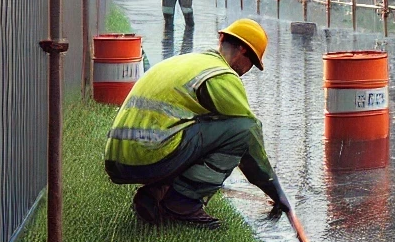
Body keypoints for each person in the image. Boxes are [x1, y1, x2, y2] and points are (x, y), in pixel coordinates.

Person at [103, 18, 288, 229]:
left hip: (119, 159)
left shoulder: (187, 62)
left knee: (202, 126)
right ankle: (183, 203)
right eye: (252, 64)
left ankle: (154, 194)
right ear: (243, 51)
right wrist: (278, 194)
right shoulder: (221, 75)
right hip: (149, 155)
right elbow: (249, 138)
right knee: (242, 130)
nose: (247, 71)